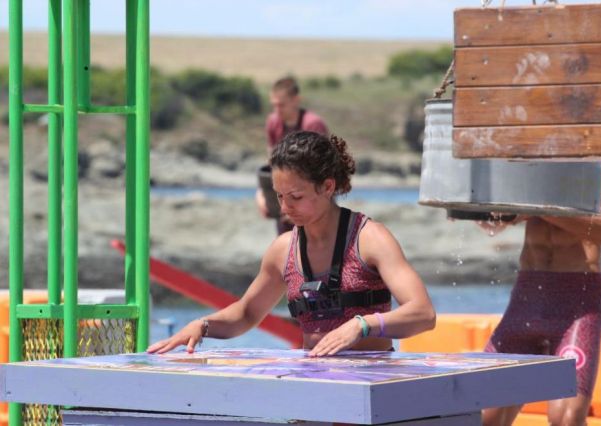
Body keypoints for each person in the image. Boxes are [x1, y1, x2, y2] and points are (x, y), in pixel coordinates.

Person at [149, 131, 436, 356]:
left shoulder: (371, 238)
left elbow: (423, 313)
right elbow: (246, 314)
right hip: (315, 380)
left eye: (296, 197)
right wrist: (203, 325)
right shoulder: (282, 250)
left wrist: (363, 325)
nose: (285, 208)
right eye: (279, 196)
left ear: (327, 187)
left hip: (371, 382)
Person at [480, 162, 601, 426]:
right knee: (483, 414)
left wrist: (541, 209)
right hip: (527, 295)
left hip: (578, 298)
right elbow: (491, 224)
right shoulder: (533, 154)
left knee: (566, 419)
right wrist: (487, 213)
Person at [256, 77, 329, 235]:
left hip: (315, 211)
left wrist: (300, 209)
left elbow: (322, 175)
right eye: (274, 105)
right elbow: (273, 168)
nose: (277, 110)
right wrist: (262, 194)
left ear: (296, 100)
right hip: (285, 209)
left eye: (281, 105)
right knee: (287, 249)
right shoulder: (273, 123)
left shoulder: (313, 125)